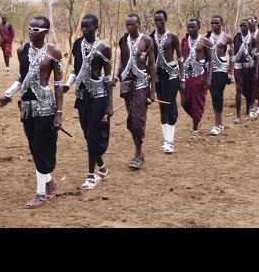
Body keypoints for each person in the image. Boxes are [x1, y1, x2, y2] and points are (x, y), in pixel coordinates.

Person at [0, 16, 63, 209]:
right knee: (34, 148)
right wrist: (7, 94)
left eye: (36, 29)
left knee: (42, 148)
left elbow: (58, 84)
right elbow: (22, 77)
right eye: (29, 28)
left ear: (45, 32)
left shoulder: (53, 53)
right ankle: (49, 182)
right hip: (27, 107)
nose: (31, 31)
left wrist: (59, 113)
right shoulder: (21, 50)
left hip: (45, 106)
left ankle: (40, 195)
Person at [63, 14, 113, 190]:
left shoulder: (104, 48)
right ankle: (103, 167)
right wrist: (67, 85)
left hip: (99, 97)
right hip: (82, 97)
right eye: (82, 27)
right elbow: (75, 70)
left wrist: (109, 105)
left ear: (96, 27)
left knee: (92, 134)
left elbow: (108, 78)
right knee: (87, 135)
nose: (84, 30)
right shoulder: (77, 44)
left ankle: (92, 176)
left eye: (88, 27)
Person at [113, 13, 156, 170]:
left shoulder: (147, 41)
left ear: (139, 24)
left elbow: (152, 65)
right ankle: (139, 152)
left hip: (141, 84)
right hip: (126, 83)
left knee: (138, 118)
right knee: (131, 119)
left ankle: (138, 154)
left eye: (132, 24)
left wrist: (152, 90)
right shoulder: (123, 40)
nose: (129, 27)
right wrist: (116, 77)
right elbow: (122, 61)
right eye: (127, 24)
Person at [149, 10, 184, 153]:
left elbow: (180, 58)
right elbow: (149, 59)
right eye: (156, 20)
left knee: (170, 104)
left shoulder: (173, 36)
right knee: (162, 106)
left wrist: (182, 79)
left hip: (171, 74)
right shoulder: (150, 37)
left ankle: (171, 141)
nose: (158, 23)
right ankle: (166, 140)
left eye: (161, 20)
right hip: (158, 75)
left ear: (166, 20)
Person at [180, 18, 212, 134]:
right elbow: (181, 59)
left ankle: (195, 127)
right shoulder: (184, 40)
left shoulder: (205, 41)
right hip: (187, 77)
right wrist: (182, 78)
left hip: (200, 77)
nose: (190, 29)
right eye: (189, 27)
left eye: (193, 27)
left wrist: (209, 79)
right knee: (184, 103)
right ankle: (196, 118)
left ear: (199, 27)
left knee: (197, 103)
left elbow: (210, 61)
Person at [207, 15, 233, 135]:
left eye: (216, 23)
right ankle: (219, 122)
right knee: (213, 95)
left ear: (221, 23)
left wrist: (230, 73)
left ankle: (217, 124)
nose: (214, 25)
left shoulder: (227, 38)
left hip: (222, 70)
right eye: (212, 23)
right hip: (209, 70)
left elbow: (232, 56)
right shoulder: (207, 37)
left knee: (218, 94)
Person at [232, 19, 256, 123]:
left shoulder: (253, 39)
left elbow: (255, 55)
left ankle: (247, 113)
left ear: (249, 26)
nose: (242, 28)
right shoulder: (236, 37)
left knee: (248, 89)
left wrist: (256, 71)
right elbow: (233, 52)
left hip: (248, 67)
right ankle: (237, 115)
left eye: (244, 25)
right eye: (241, 26)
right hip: (238, 67)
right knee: (238, 89)